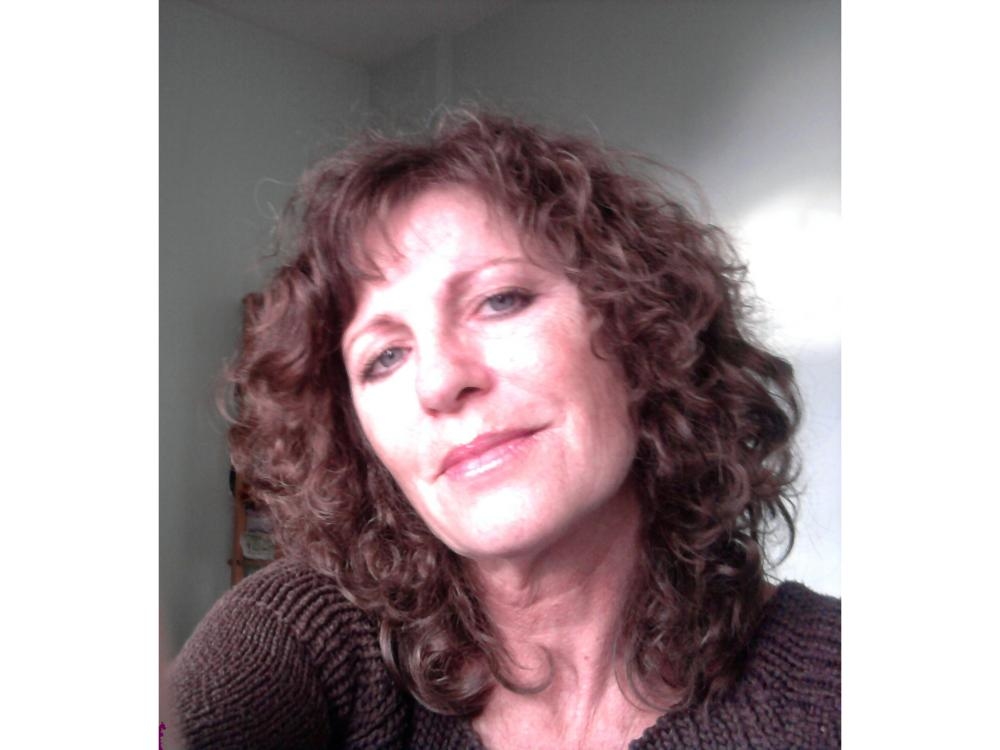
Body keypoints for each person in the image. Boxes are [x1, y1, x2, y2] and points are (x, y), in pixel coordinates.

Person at [171, 112, 840, 749]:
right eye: (385, 357)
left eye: (501, 300)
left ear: (643, 331)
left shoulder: (835, 685)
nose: (439, 382)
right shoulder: (314, 633)